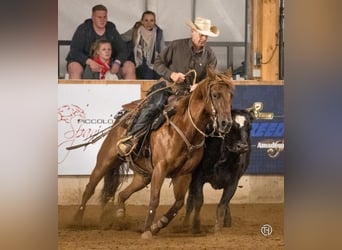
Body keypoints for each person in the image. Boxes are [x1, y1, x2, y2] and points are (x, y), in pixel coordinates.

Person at [117, 17, 220, 156]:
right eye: (201, 35)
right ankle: (131, 139)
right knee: (153, 107)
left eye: (206, 36)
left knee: (213, 116)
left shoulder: (210, 54)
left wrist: (200, 85)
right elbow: (158, 63)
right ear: (193, 32)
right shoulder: (176, 46)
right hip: (168, 88)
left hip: (192, 95)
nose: (204, 39)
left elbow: (212, 77)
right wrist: (171, 74)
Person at [66, 4, 136, 79]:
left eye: (104, 17)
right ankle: (77, 91)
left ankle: (129, 91)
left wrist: (117, 62)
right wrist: (89, 62)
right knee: (74, 68)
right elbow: (74, 51)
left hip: (110, 63)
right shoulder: (83, 29)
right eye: (99, 17)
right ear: (92, 17)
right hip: (85, 62)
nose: (102, 20)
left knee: (130, 67)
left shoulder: (111, 29)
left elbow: (123, 49)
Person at [121, 10, 166, 79]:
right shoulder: (135, 31)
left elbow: (163, 50)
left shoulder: (158, 33)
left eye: (151, 20)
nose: (149, 23)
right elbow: (121, 38)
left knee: (160, 75)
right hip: (139, 62)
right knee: (148, 74)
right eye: (146, 20)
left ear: (155, 22)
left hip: (154, 62)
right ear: (142, 21)